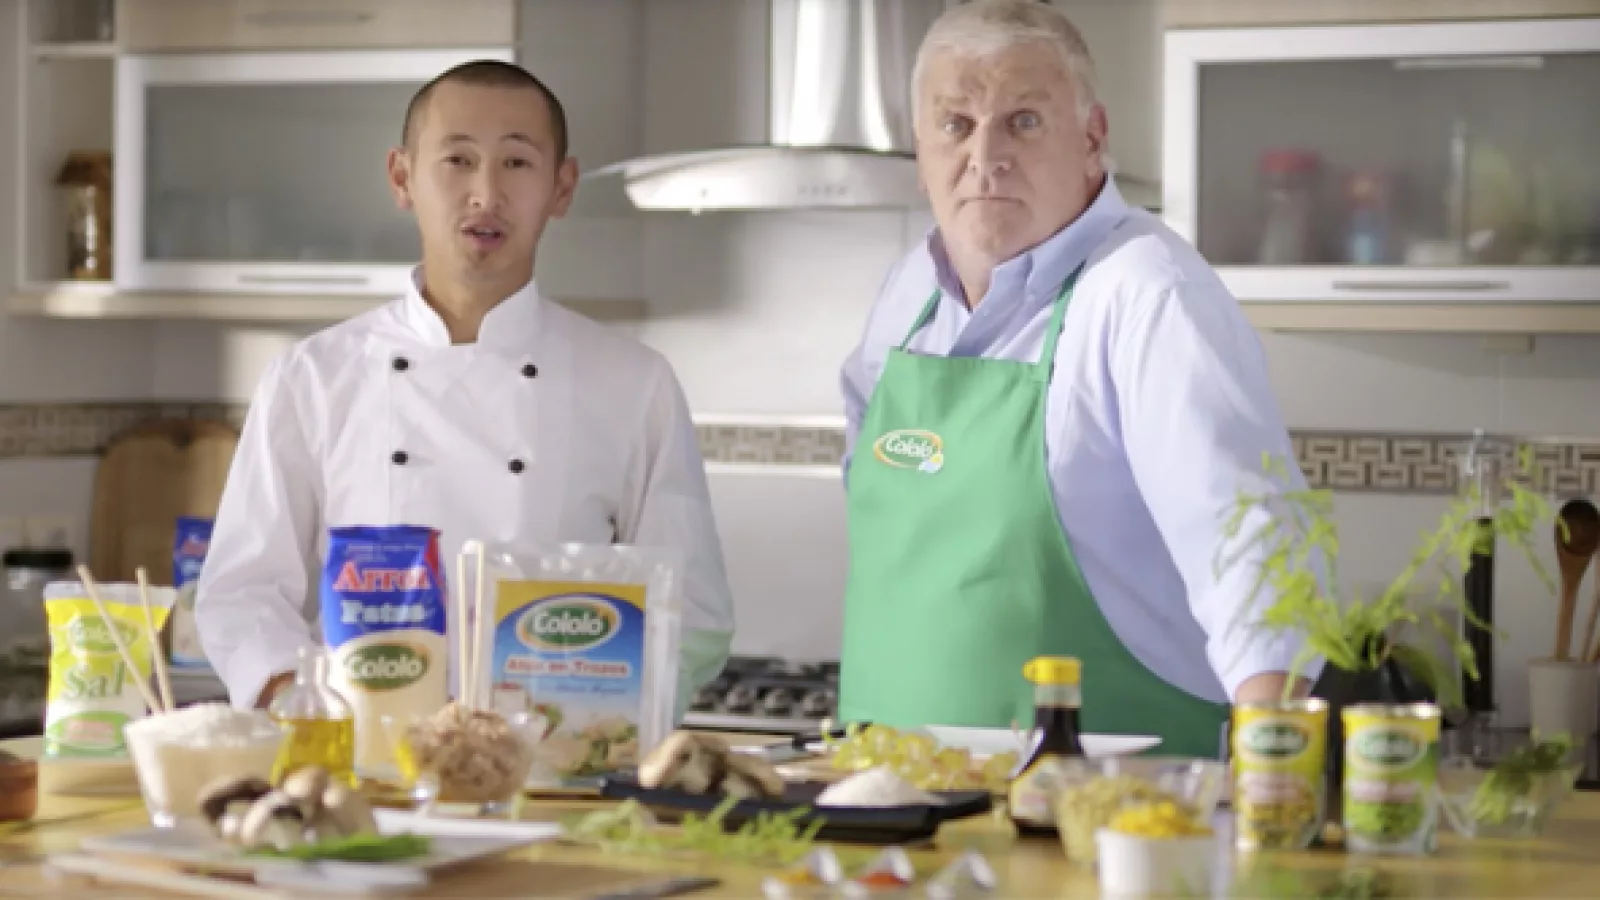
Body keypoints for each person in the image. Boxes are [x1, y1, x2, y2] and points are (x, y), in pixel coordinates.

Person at [836, 1, 1316, 758]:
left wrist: (1272, 771)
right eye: (956, 124)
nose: (985, 157)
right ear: (920, 149)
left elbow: (1250, 544)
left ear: (1092, 139)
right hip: (886, 791)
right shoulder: (907, 293)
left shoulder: (1149, 295)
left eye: (1023, 122)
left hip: (1109, 803)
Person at [195, 60, 734, 717]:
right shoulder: (313, 377)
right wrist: (297, 699)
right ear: (402, 177)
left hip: (553, 758)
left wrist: (598, 727)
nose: (486, 194)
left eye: (517, 163)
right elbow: (242, 592)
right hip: (362, 755)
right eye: (458, 160)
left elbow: (692, 613)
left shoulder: (633, 383)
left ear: (562, 188)